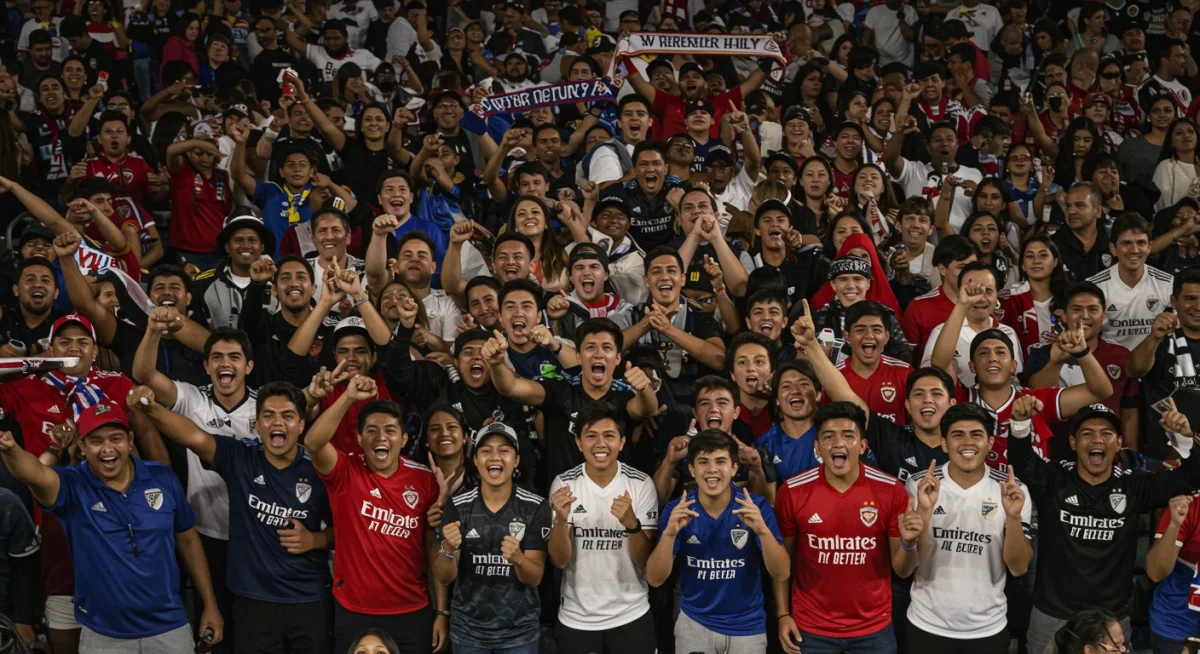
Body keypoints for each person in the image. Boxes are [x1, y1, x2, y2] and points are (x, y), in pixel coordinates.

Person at [0, 399, 222, 652]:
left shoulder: (162, 477)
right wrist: (10, 449)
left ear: (129, 440)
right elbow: (33, 473)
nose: (107, 449)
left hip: (170, 627)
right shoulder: (71, 485)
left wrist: (210, 604)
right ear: (82, 447)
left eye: (115, 438)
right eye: (96, 441)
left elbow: (188, 539)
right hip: (103, 636)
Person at [131, 381, 334, 654]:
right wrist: (150, 407)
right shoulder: (240, 457)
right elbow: (193, 436)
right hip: (253, 601)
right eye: (268, 415)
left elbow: (349, 531)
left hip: (309, 599)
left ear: (301, 425)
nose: (278, 422)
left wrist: (316, 539)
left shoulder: (320, 470)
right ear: (257, 425)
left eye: (288, 416)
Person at [1010, 399, 1200, 654]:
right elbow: (1022, 461)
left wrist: (1188, 439)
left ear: (1119, 443)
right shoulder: (1053, 480)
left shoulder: (1135, 487)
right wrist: (1020, 423)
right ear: (1073, 443)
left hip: (1111, 621)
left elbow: (1189, 478)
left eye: (1107, 433)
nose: (1097, 439)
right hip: (1053, 617)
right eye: (1087, 433)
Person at [302, 374, 449, 653]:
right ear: (358, 438)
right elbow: (313, 443)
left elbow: (432, 549)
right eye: (371, 430)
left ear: (404, 439)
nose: (381, 436)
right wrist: (347, 398)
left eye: (390, 430)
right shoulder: (345, 471)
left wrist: (441, 612)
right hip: (354, 609)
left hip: (411, 610)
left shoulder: (424, 480)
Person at [774, 401, 924, 654]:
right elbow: (783, 562)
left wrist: (909, 543)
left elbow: (902, 570)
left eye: (848, 435)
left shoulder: (891, 490)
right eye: (828, 436)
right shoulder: (792, 491)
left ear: (863, 446)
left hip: (873, 630)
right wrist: (782, 614)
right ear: (817, 447)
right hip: (810, 628)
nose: (838, 443)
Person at [903, 403, 1032, 652]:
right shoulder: (920, 484)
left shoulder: (1012, 490)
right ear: (944, 443)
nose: (967, 443)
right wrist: (924, 513)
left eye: (976, 435)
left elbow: (1018, 568)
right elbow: (907, 565)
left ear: (991, 442)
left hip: (988, 629)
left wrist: (1013, 517)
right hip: (926, 624)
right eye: (957, 435)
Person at [646, 429, 790, 653]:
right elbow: (655, 579)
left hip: (747, 627)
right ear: (692, 469)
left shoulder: (756, 507)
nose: (712, 469)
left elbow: (782, 573)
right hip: (694, 625)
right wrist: (668, 535)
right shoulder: (678, 509)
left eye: (720, 461)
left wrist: (762, 531)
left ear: (734, 468)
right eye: (703, 462)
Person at [548, 403, 659, 654]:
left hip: (631, 614)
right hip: (577, 618)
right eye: (590, 436)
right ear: (578, 443)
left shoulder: (640, 483)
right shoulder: (564, 484)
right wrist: (560, 521)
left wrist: (632, 525)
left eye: (608, 435)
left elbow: (644, 560)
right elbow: (559, 561)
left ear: (621, 442)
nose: (600, 444)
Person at [432, 421, 550, 654]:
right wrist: (447, 547)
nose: (495, 457)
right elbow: (445, 577)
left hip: (519, 633)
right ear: (475, 461)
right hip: (468, 632)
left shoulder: (535, 506)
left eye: (504, 451)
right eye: (486, 451)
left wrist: (518, 558)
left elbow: (534, 577)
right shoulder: (458, 506)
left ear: (516, 460)